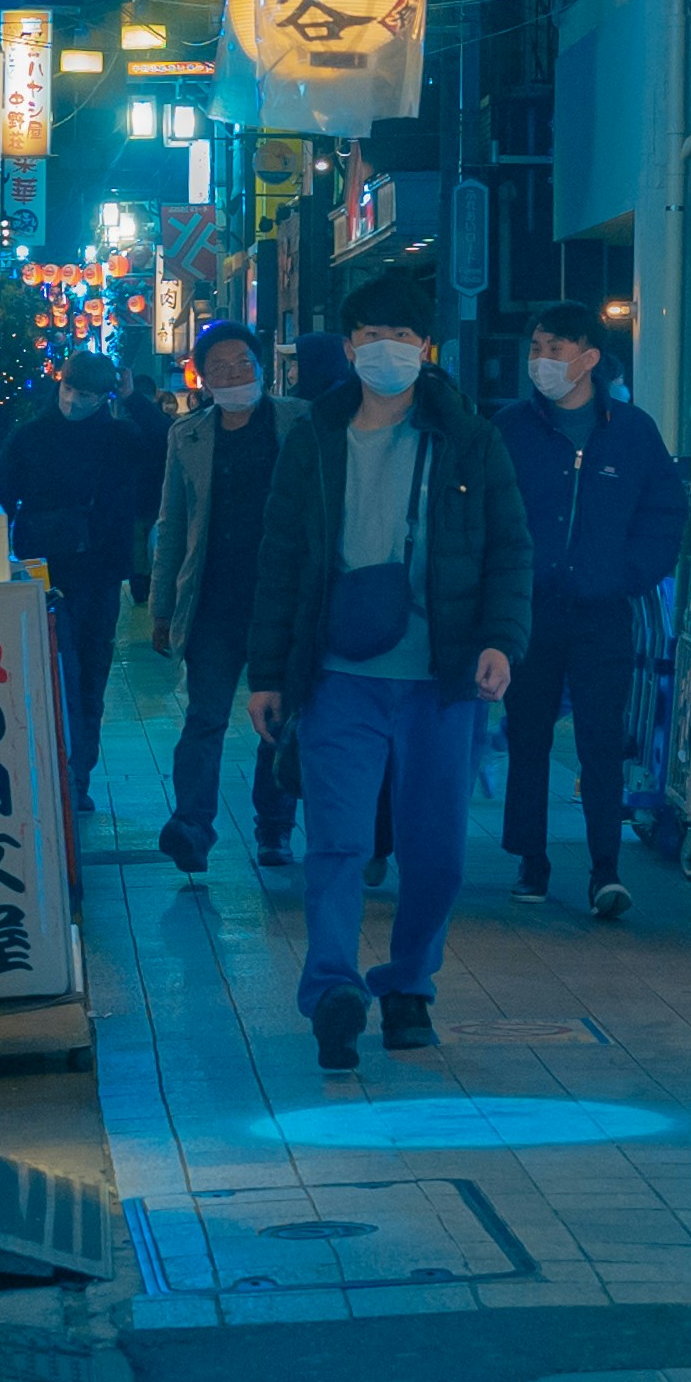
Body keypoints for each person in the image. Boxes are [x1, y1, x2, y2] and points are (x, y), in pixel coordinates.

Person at [239, 301, 530, 1072]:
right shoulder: (315, 438)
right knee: (337, 842)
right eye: (373, 335)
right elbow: (279, 560)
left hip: (442, 678)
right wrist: (267, 673)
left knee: (437, 854)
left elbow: (510, 549)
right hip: (339, 675)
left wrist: (501, 640)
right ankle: (333, 989)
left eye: (402, 334)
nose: (388, 348)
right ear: (349, 346)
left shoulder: (468, 439)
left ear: (425, 345)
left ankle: (408, 984)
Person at [493, 304, 687, 920]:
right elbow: (486, 511)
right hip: (530, 609)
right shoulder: (512, 427)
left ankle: (606, 870)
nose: (541, 360)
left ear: (589, 358)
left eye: (555, 348)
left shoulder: (631, 431)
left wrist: (628, 574)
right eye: (536, 347)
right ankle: (531, 860)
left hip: (603, 611)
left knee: (602, 740)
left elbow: (666, 513)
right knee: (527, 736)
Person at [146, 323, 302, 874]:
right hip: (212, 599)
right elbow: (172, 523)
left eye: (243, 364)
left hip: (281, 600)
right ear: (203, 379)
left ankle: (275, 828)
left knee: (277, 718)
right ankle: (192, 825)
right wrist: (161, 607)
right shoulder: (187, 436)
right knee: (205, 717)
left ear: (262, 367)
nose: (234, 375)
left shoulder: (300, 421)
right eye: (220, 367)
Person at [0, 348, 159, 811]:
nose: (73, 400)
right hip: (42, 575)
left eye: (85, 394)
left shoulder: (120, 437)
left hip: (98, 573)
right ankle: (56, 772)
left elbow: (164, 449)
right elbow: (1, 498)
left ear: (104, 396)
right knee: (54, 673)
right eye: (68, 388)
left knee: (88, 675)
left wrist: (135, 399)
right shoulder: (30, 436)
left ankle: (76, 776)